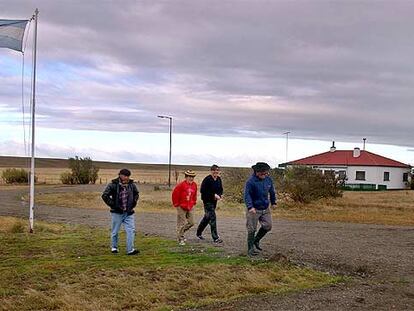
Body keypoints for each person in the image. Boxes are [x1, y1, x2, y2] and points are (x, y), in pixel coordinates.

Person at [102, 168, 140, 255]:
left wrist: (134, 202)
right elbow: (105, 195)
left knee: (131, 231)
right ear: (120, 175)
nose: (127, 178)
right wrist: (113, 205)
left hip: (129, 212)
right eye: (125, 176)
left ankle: (130, 250)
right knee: (115, 231)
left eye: (128, 176)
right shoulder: (113, 185)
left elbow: (136, 193)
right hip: (117, 213)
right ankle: (114, 247)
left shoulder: (132, 185)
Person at [244, 162, 277, 257]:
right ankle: (250, 249)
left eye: (266, 173)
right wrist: (250, 207)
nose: (265, 175)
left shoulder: (268, 180)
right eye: (263, 173)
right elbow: (247, 195)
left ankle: (256, 240)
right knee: (251, 229)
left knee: (268, 226)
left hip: (265, 208)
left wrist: (273, 202)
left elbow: (272, 192)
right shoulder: (250, 182)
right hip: (254, 209)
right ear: (257, 172)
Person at [196, 164, 223, 243]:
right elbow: (203, 191)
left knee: (207, 218)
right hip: (207, 201)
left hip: (214, 201)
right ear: (211, 171)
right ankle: (215, 238)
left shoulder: (218, 179)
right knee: (213, 217)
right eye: (214, 170)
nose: (216, 172)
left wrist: (219, 195)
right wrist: (213, 195)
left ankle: (198, 233)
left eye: (217, 170)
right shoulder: (207, 179)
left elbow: (220, 189)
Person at [172, 169, 198, 245]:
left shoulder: (194, 185)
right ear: (186, 177)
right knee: (182, 223)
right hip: (181, 206)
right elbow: (174, 194)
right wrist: (176, 204)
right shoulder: (181, 185)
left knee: (191, 222)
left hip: (190, 206)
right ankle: (180, 239)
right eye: (190, 176)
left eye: (192, 177)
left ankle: (180, 233)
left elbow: (195, 194)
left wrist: (194, 202)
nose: (191, 178)